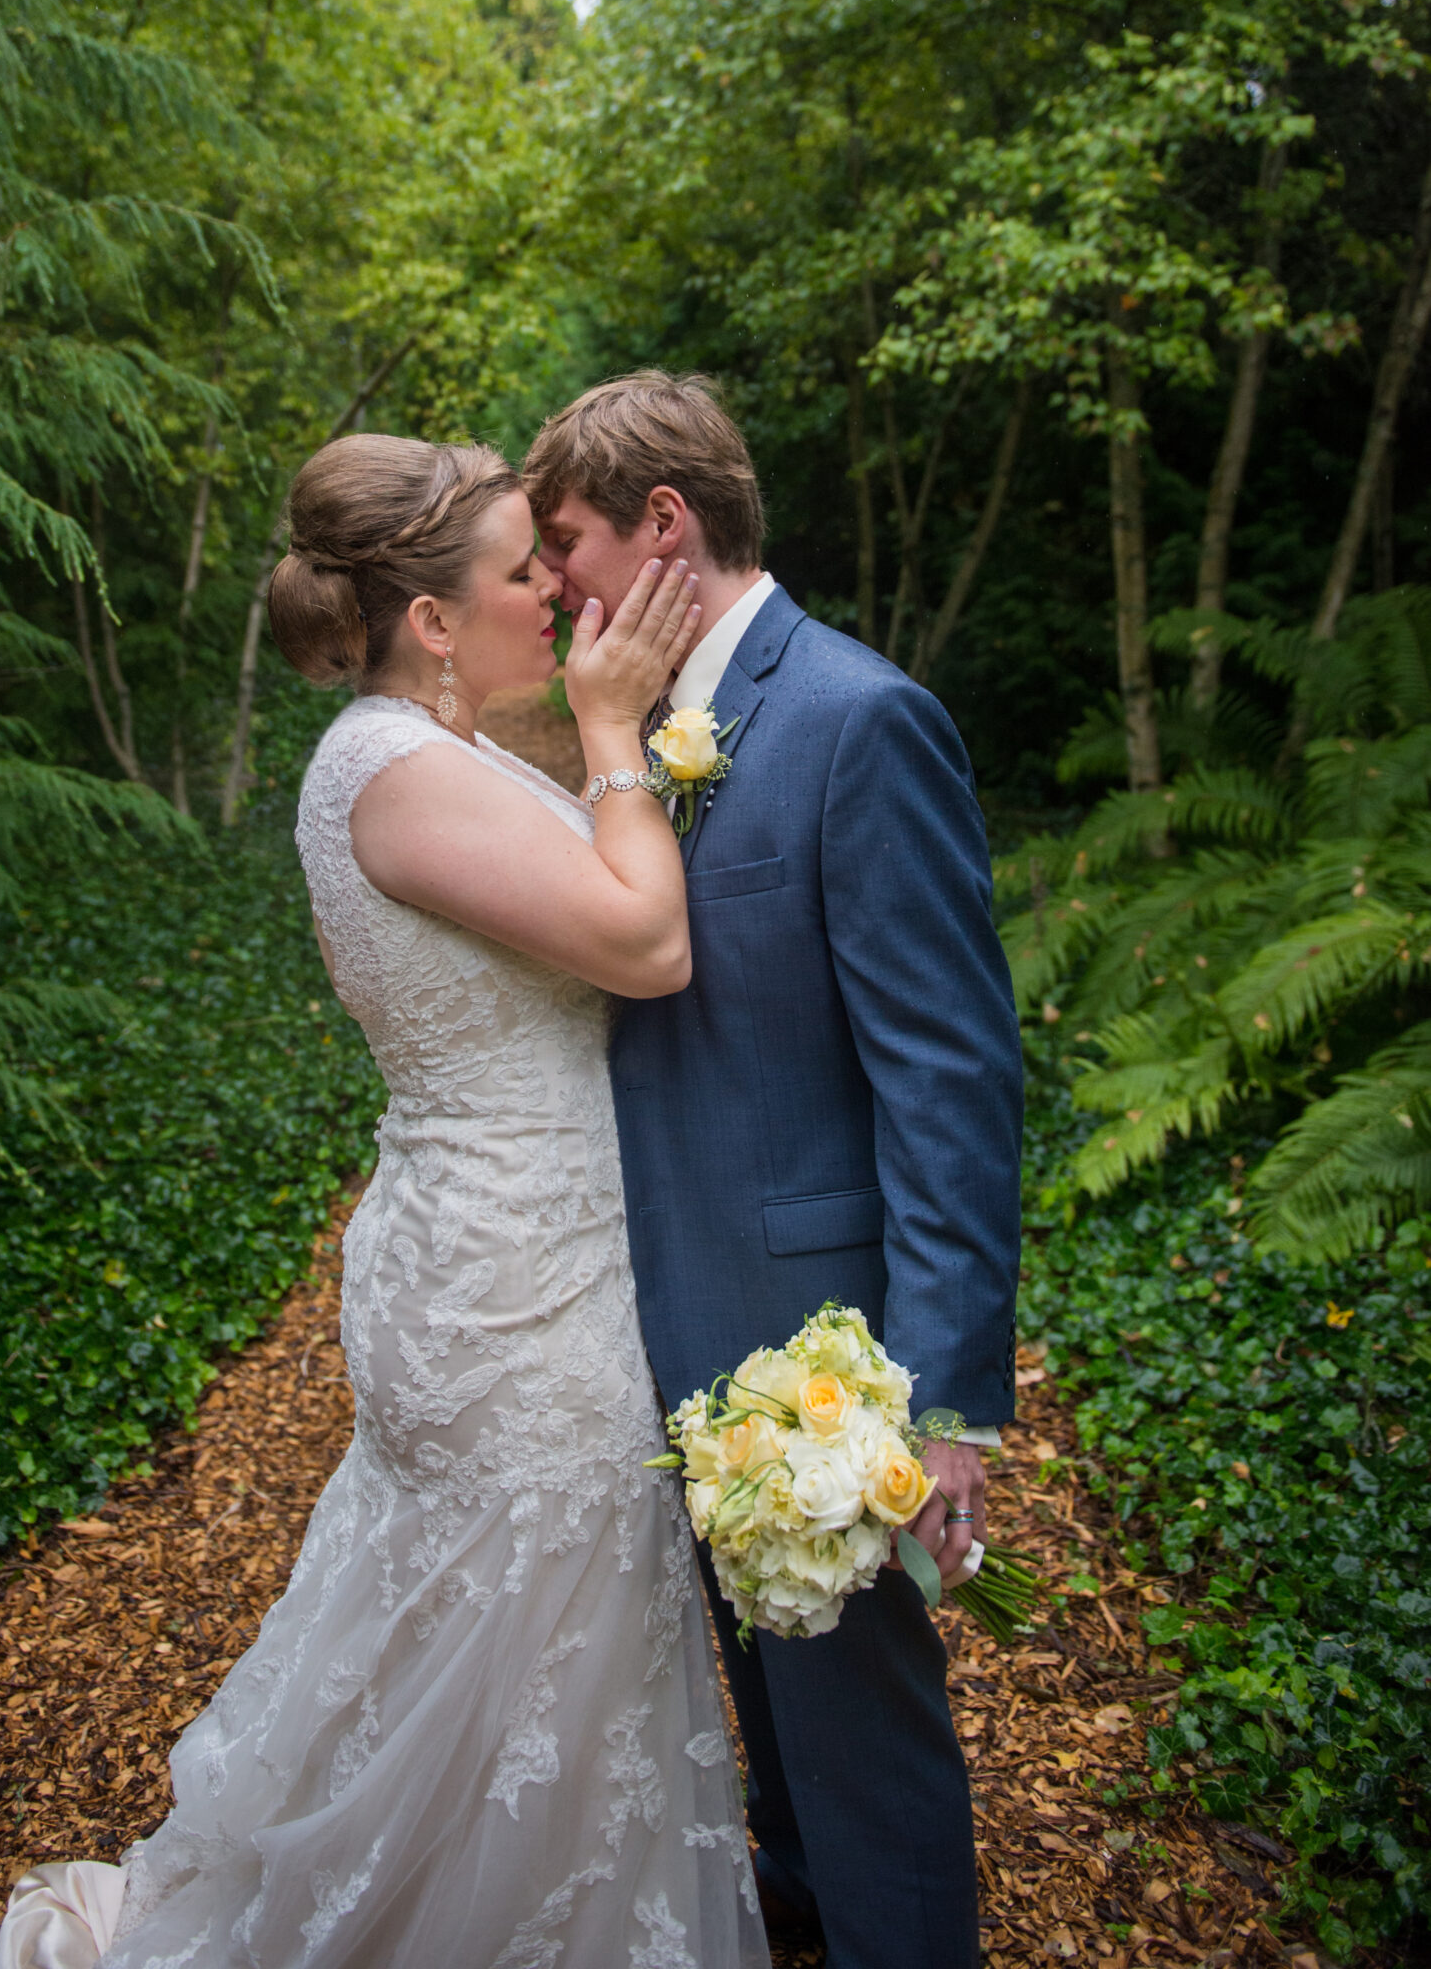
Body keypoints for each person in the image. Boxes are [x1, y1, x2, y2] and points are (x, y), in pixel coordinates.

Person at [0, 433, 769, 1969]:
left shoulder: (446, 751)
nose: (551, 589)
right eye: (518, 569)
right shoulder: (390, 773)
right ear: (430, 617)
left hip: (532, 1246)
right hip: (511, 1283)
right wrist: (617, 733)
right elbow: (642, 947)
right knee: (529, 1621)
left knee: (523, 1634)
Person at [524, 371, 1024, 1969]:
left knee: (865, 1743)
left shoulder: (854, 718)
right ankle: (800, 1914)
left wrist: (942, 1403)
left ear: (663, 524)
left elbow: (947, 1079)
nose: (556, 593)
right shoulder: (643, 734)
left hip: (828, 1354)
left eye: (569, 548)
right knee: (764, 1715)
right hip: (663, 1322)